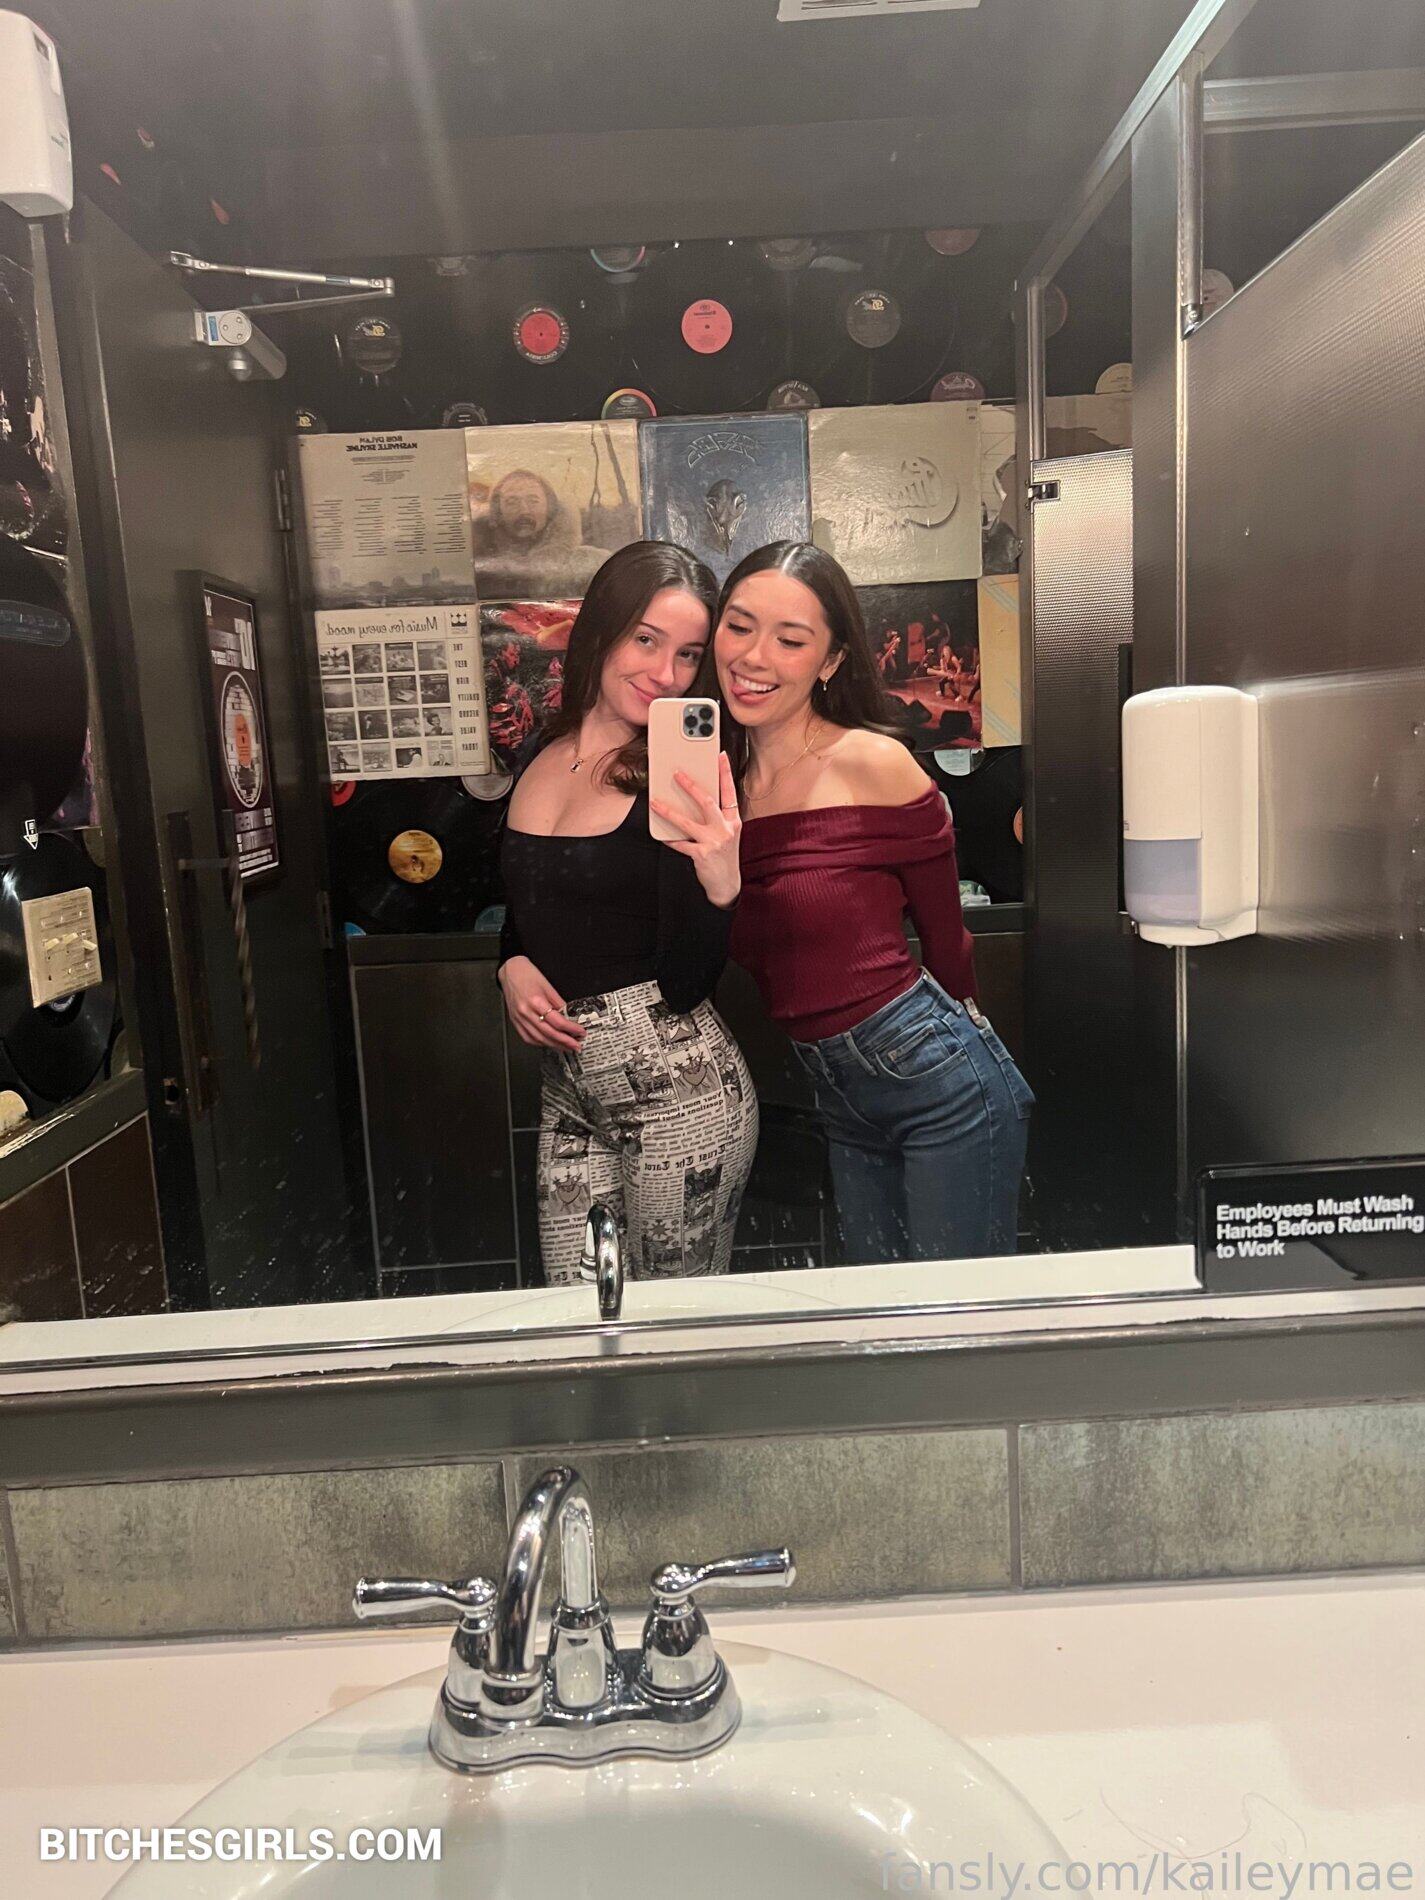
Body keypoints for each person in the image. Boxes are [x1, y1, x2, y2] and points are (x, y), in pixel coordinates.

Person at [696, 540, 1033, 1264]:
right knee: (874, 1310)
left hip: (938, 1087)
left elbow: (947, 940)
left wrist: (966, 1037)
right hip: (837, 1094)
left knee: (955, 1311)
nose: (753, 656)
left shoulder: (871, 761)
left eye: (790, 640)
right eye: (739, 626)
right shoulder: (717, 780)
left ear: (830, 661)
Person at [497, 541, 757, 1284]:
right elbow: (531, 903)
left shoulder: (676, 774)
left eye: (688, 654)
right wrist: (509, 965)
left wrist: (721, 890)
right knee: (575, 1315)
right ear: (602, 631)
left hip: (680, 1094)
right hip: (568, 1088)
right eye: (646, 639)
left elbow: (687, 983)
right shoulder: (541, 752)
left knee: (674, 1327)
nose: (665, 673)